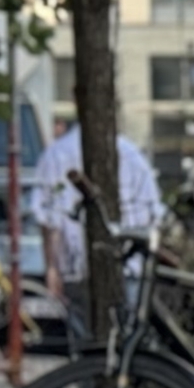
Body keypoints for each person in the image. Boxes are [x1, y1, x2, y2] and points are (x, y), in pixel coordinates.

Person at [26, 113, 162, 338]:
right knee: (129, 334)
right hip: (128, 266)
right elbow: (153, 215)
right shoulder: (133, 155)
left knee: (83, 335)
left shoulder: (55, 155)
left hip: (76, 266)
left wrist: (52, 268)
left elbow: (49, 220)